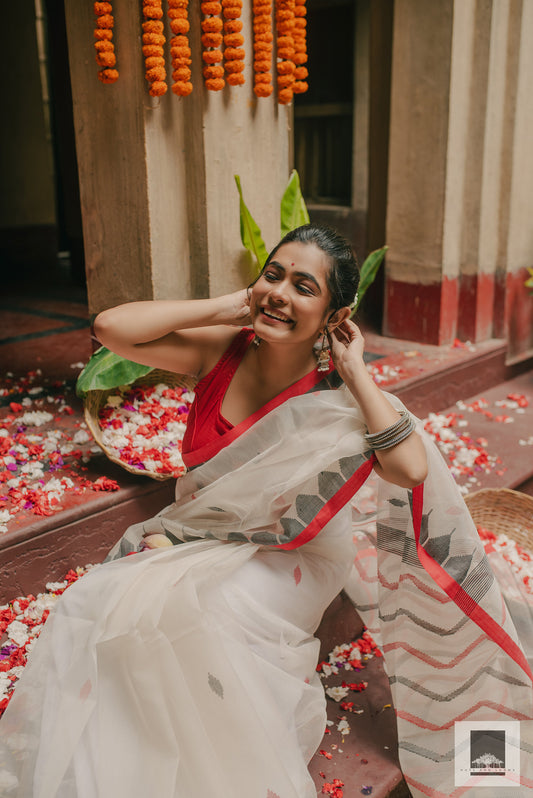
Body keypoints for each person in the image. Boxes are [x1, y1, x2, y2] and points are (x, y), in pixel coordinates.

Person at [0, 225, 531, 798]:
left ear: (335, 315)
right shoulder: (217, 353)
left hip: (292, 552)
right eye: (273, 275)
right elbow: (110, 328)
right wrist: (236, 304)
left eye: (304, 286)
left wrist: (356, 371)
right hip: (200, 534)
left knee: (198, 608)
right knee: (99, 601)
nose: (280, 292)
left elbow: (409, 467)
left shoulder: (335, 392)